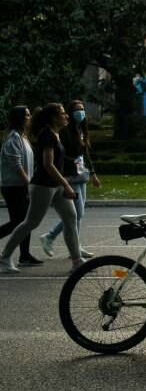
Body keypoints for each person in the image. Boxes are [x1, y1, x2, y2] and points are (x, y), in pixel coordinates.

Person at [0, 103, 84, 274]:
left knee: (71, 217)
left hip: (56, 185)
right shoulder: (47, 136)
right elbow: (48, 165)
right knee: (31, 222)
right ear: (54, 117)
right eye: (62, 113)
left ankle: (77, 261)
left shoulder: (56, 134)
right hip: (43, 186)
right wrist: (66, 185)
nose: (66, 115)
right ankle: (5, 256)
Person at [39, 100, 101, 259]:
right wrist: (72, 161)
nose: (80, 113)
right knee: (76, 214)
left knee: (78, 215)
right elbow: (59, 154)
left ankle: (76, 246)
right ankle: (50, 236)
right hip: (70, 175)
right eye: (77, 110)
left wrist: (93, 173)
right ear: (70, 112)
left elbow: (85, 153)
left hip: (81, 175)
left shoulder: (81, 129)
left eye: (82, 109)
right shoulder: (65, 130)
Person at [0, 107, 40, 267]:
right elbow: (16, 165)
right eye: (27, 115)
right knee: (19, 221)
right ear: (20, 118)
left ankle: (25, 255)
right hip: (13, 186)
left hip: (21, 185)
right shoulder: (13, 137)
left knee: (26, 220)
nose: (30, 117)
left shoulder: (23, 137)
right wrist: (28, 184)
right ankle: (21, 254)